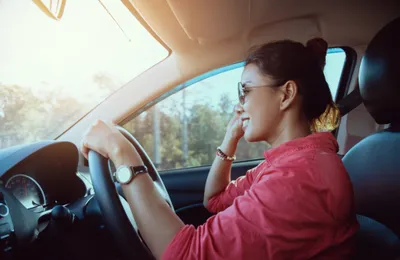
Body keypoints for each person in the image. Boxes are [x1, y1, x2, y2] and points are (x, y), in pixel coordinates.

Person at [81, 38, 359, 260]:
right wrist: (230, 138)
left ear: (286, 94)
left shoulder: (300, 178)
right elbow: (214, 201)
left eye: (246, 91)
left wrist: (121, 153)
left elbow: (186, 255)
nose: (239, 104)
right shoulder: (286, 164)